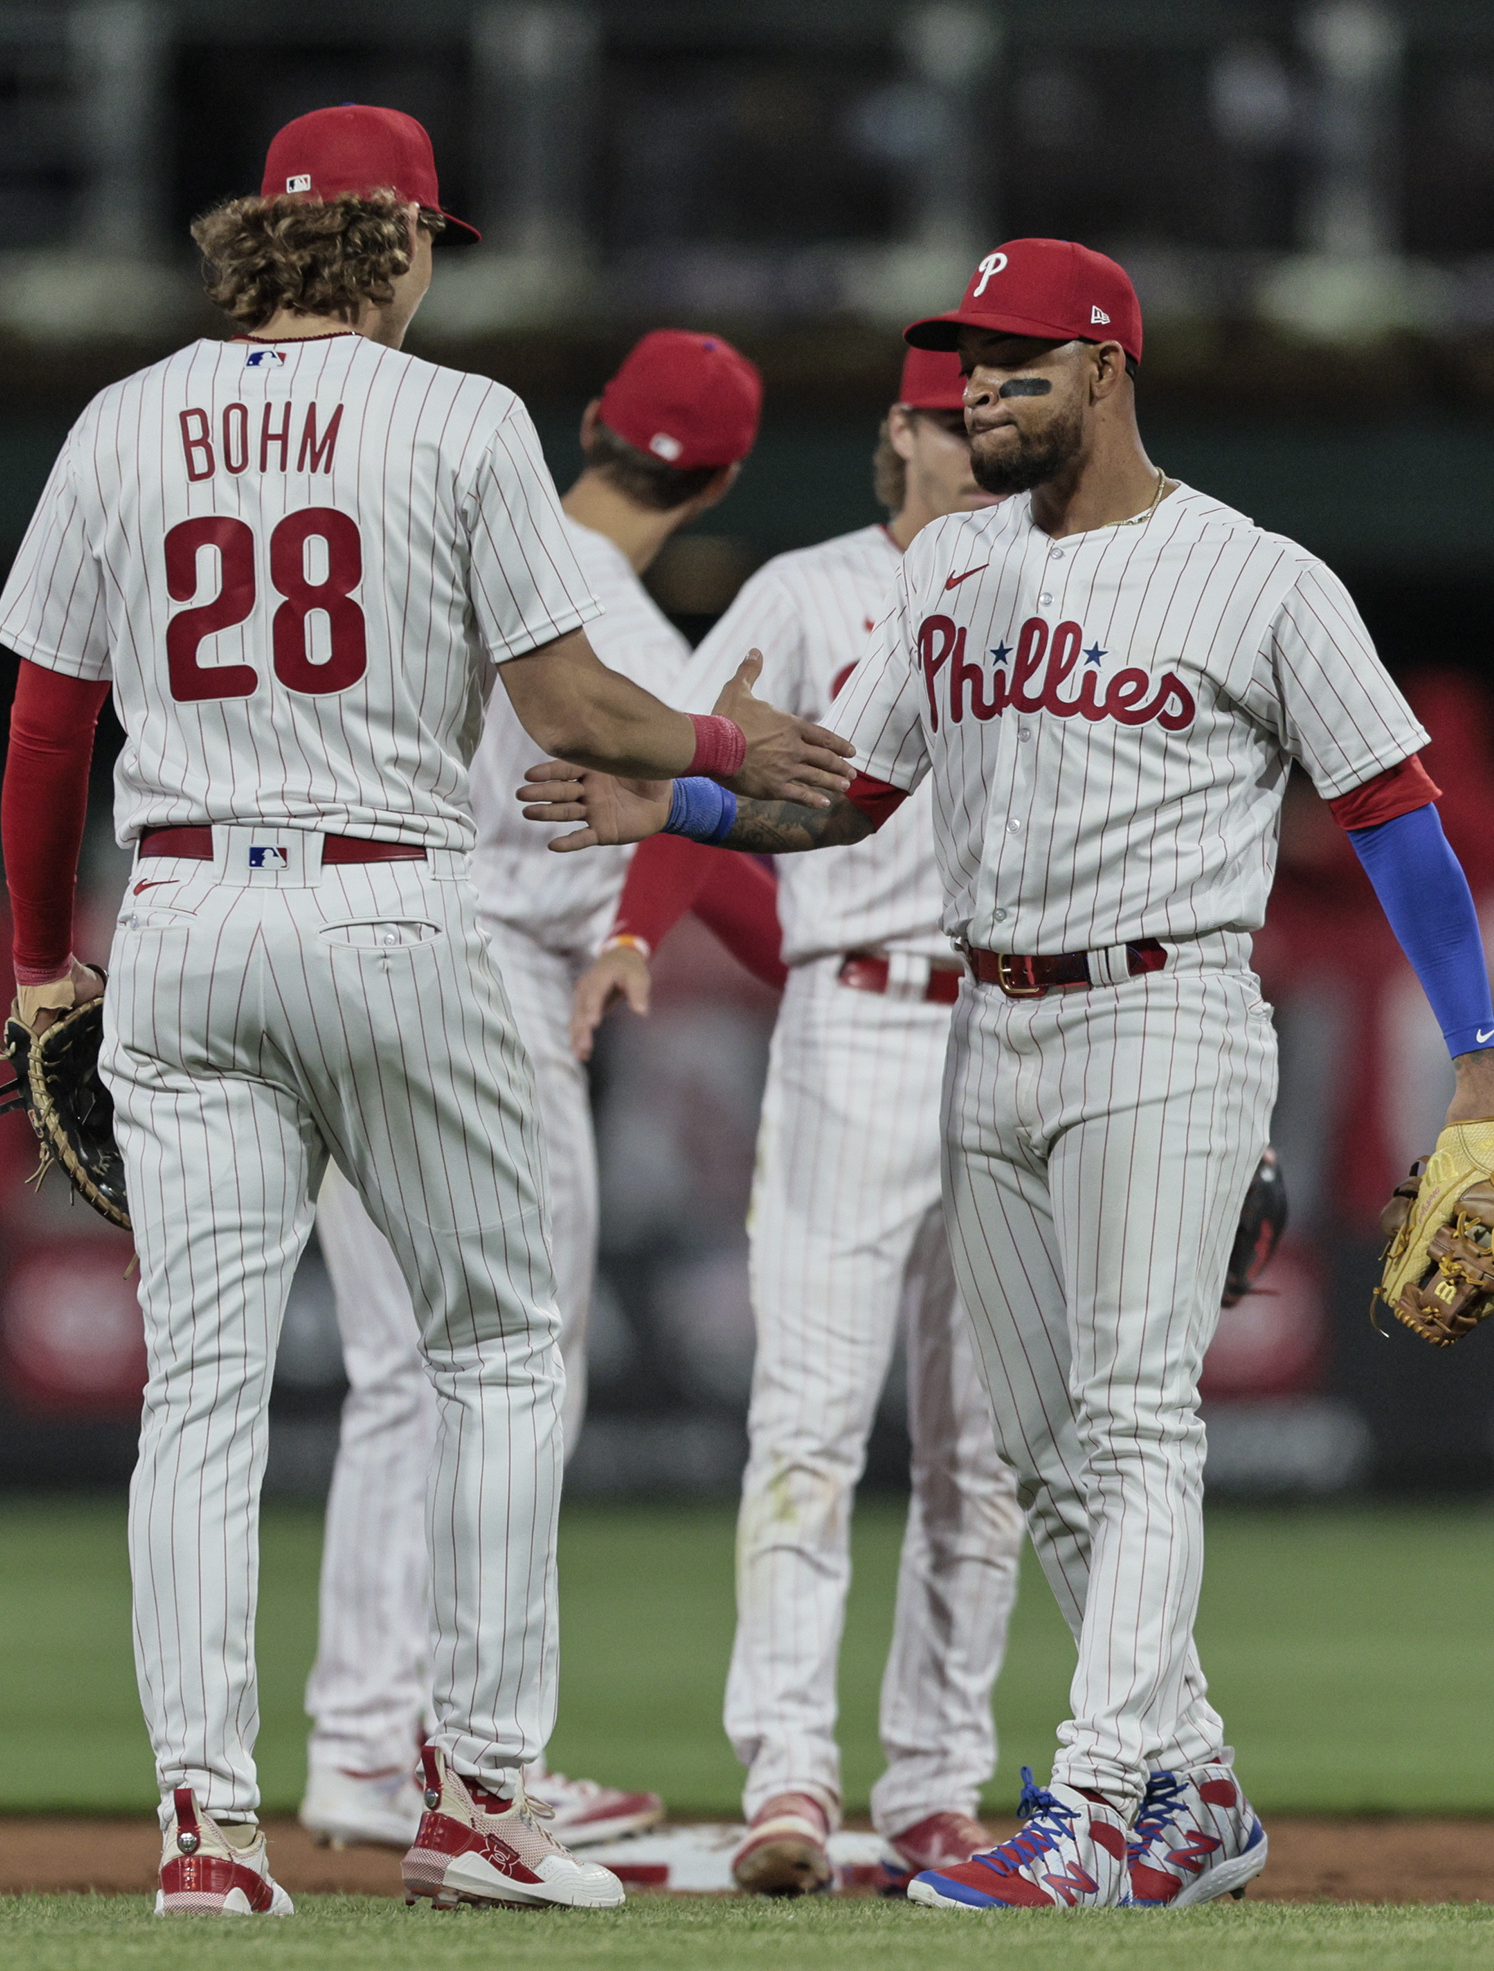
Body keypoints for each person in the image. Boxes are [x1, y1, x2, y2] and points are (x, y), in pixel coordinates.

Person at [520, 237, 1494, 1913]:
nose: (982, 389)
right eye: (968, 362)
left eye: (1016, 362)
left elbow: (1395, 812)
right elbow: (852, 796)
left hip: (1165, 1018)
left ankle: (1087, 1811)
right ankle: (1197, 1791)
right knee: (1047, 1445)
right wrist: (682, 810)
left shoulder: (1256, 576)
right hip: (981, 1031)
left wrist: (1481, 1060)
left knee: (1136, 1418)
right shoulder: (954, 575)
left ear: (1107, 369)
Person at [0, 103, 854, 1918]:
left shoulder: (122, 419)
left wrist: (39, 961)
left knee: (203, 1400)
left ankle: (205, 1836)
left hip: (184, 913)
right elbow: (573, 713)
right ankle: (473, 1800)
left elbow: (49, 725)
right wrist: (720, 747)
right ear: (392, 246)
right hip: (392, 903)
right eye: (430, 240)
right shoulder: (461, 421)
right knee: (498, 1350)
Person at [297, 328, 782, 1856]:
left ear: (591, 426)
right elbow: (701, 849)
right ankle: (438, 1746)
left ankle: (365, 1739)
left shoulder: (432, 558)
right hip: (497, 989)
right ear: (714, 481)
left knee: (398, 1377)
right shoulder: (632, 637)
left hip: (350, 948)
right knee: (510, 1380)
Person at [562, 346, 1022, 1893]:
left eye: (999, 416)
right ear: (899, 433)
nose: (981, 440)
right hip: (853, 1024)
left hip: (1018, 1025)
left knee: (986, 1450)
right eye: (957, 418)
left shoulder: (1054, 588)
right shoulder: (808, 591)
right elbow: (688, 768)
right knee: (807, 1425)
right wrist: (635, 929)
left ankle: (942, 1780)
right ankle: (790, 1778)